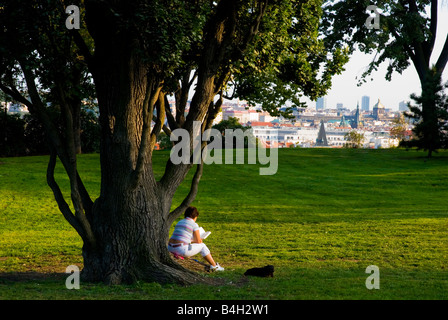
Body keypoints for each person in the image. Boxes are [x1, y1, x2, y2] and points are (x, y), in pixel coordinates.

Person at [168, 206, 224, 271]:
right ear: (195, 216)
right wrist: (201, 238)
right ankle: (214, 266)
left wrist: (191, 240)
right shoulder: (194, 224)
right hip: (181, 249)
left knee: (190, 245)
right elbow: (198, 241)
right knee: (202, 246)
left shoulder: (179, 222)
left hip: (170, 248)